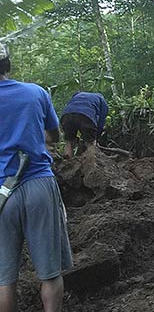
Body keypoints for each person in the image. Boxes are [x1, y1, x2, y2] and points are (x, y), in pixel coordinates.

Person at [0, 43, 73, 312]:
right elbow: (53, 136)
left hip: (1, 193)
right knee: (50, 272)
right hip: (38, 183)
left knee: (4, 280)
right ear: (8, 64)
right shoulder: (35, 93)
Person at [60, 92, 108, 158]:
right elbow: (101, 121)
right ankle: (90, 165)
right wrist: (96, 136)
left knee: (69, 141)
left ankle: (66, 163)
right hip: (86, 115)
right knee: (90, 143)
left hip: (67, 115)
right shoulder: (102, 100)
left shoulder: (77, 95)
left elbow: (70, 105)